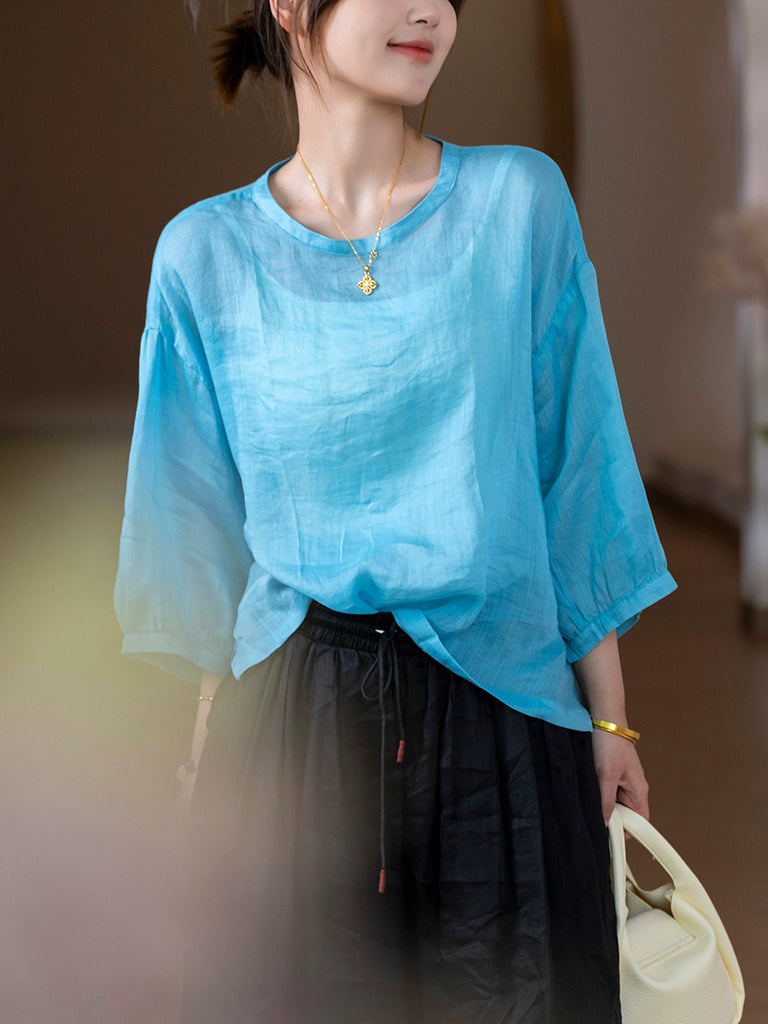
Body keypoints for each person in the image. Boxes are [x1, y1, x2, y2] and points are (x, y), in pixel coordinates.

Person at [114, 1, 677, 1021]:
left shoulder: (520, 201)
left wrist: (611, 720)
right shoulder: (203, 255)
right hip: (296, 721)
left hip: (506, 714)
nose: (431, 12)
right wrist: (197, 764)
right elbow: (190, 533)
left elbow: (578, 465)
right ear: (292, 6)